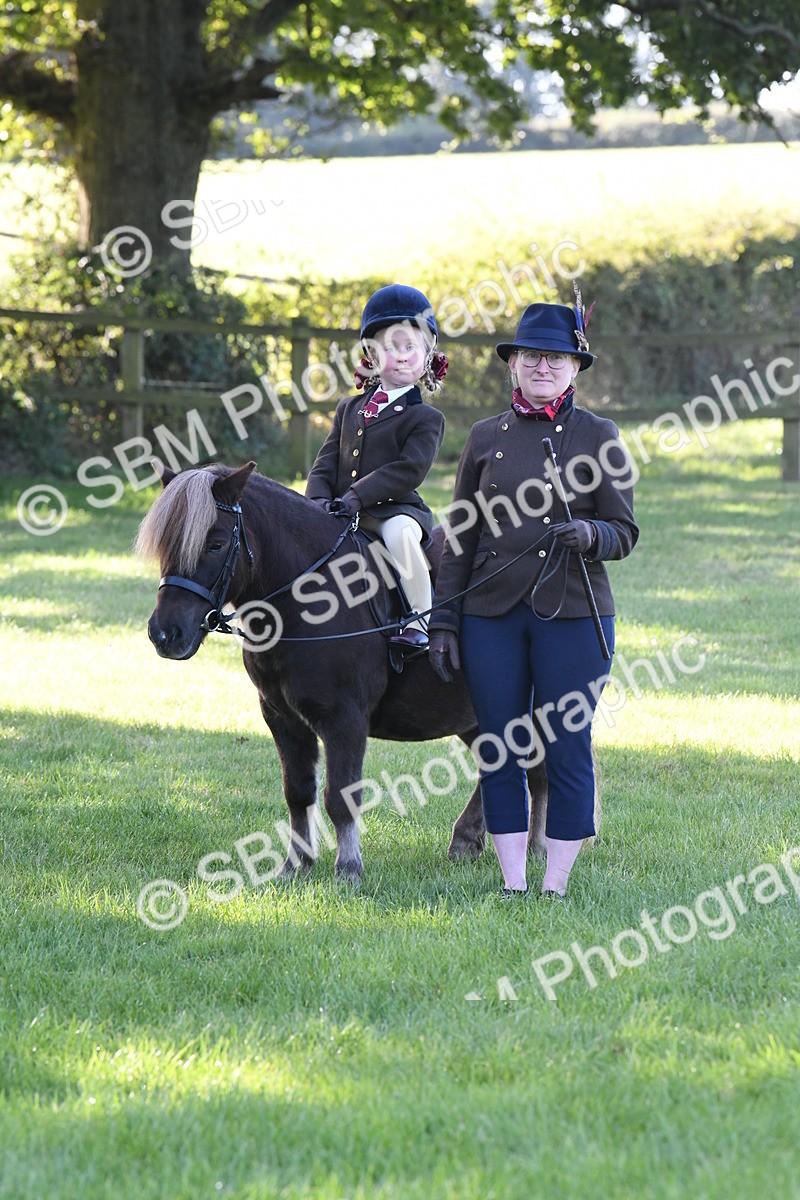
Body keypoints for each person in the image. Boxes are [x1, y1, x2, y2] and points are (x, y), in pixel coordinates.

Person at [428, 300, 639, 897]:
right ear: (513, 365)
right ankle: (513, 882)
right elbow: (460, 537)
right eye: (530, 356)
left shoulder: (600, 435)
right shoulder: (484, 436)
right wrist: (444, 622)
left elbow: (625, 531)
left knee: (568, 744)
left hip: (574, 614)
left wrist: (591, 534)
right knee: (500, 747)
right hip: (490, 616)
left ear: (574, 367)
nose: (542, 366)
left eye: (555, 357)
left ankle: (557, 883)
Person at [306, 284, 447, 648]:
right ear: (371, 353)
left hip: (392, 511)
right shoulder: (349, 409)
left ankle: (419, 620)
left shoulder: (425, 417)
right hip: (341, 507)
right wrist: (318, 500)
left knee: (401, 535)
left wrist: (356, 496)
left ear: (427, 355)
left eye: (410, 348)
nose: (400, 356)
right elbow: (325, 463)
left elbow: (408, 470)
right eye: (390, 347)